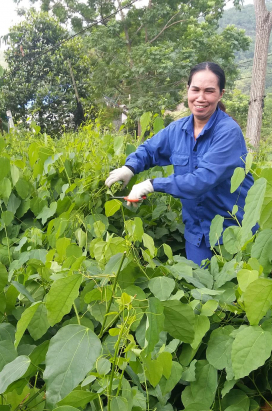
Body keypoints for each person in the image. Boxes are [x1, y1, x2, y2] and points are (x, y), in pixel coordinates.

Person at [105, 62, 253, 266]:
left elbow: (202, 180)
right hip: (197, 234)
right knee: (201, 292)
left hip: (232, 233)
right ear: (188, 90)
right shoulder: (178, 129)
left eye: (209, 91)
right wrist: (129, 167)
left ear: (220, 94)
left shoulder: (228, 132)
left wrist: (151, 184)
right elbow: (150, 149)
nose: (201, 98)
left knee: (232, 295)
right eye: (196, 90)